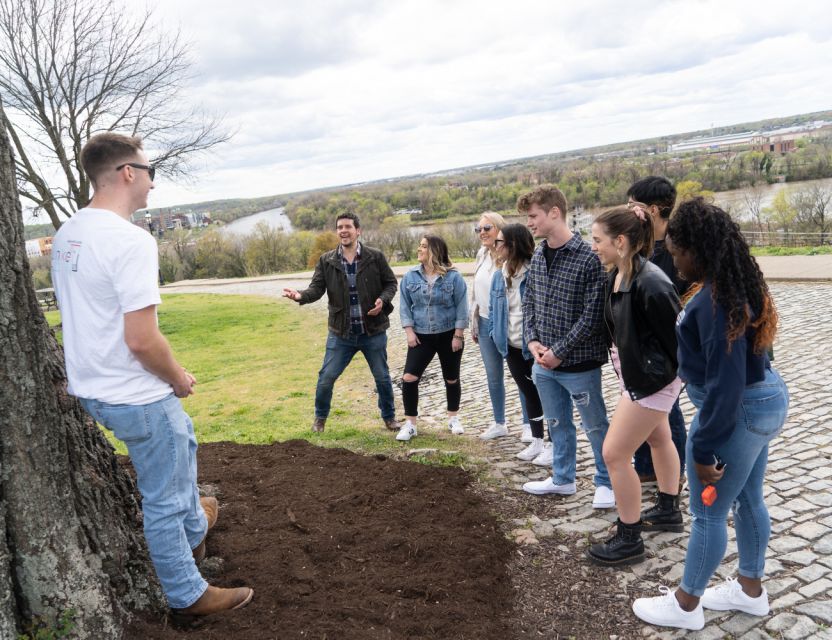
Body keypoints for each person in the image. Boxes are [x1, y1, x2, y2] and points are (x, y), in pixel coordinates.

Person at [51, 132, 252, 618]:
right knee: (162, 495)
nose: (153, 184)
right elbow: (141, 340)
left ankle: (195, 526)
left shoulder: (69, 233)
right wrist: (177, 377)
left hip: (95, 388)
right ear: (127, 173)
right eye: (150, 172)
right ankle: (188, 594)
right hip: (136, 394)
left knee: (182, 444)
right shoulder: (130, 240)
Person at [632, 198, 789, 631]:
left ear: (697, 250)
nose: (676, 262)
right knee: (749, 497)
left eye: (677, 252)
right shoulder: (735, 285)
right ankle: (750, 590)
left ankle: (686, 604)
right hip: (763, 400)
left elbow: (726, 385)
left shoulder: (714, 302)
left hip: (737, 411)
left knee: (708, 512)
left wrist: (702, 450)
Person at [585, 206, 683, 566]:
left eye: (598, 240)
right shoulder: (620, 273)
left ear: (621, 241)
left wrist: (652, 379)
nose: (593, 246)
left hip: (651, 381)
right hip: (639, 377)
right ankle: (669, 509)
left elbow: (678, 342)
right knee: (659, 438)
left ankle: (629, 538)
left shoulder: (651, 282)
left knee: (613, 454)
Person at [517, 186, 614, 509]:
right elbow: (529, 301)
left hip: (580, 364)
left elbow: (592, 316)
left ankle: (607, 482)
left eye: (534, 216)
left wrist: (559, 351)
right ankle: (562, 478)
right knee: (557, 424)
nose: (529, 223)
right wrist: (532, 341)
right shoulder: (538, 256)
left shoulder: (588, 257)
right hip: (543, 363)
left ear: (554, 213)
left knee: (596, 426)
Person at [283, 212, 399, 433]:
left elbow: (391, 283)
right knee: (326, 377)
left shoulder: (375, 256)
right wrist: (300, 296)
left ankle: (389, 418)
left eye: (348, 227)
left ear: (358, 231)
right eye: (339, 227)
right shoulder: (327, 260)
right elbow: (316, 289)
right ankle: (320, 420)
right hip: (341, 334)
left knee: (382, 378)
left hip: (372, 331)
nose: (343, 231)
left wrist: (382, 300)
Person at [626, 176, 688, 485]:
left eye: (632, 205)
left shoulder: (679, 248)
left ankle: (673, 474)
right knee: (643, 407)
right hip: (639, 345)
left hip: (668, 346)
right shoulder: (637, 244)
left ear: (652, 209)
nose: (627, 211)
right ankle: (646, 467)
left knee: (667, 411)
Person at [396, 235, 468, 441]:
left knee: (451, 378)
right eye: (420, 245)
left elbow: (462, 307)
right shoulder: (410, 277)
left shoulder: (454, 277)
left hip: (449, 335)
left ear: (435, 251)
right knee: (409, 377)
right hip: (421, 336)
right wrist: (409, 332)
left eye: (424, 246)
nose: (419, 249)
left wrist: (458, 335)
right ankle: (410, 424)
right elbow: (404, 307)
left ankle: (453, 418)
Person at [488, 224, 547, 461]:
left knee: (546, 395)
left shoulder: (535, 272)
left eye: (499, 242)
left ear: (512, 245)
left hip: (533, 345)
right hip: (510, 346)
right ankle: (537, 440)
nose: (495, 246)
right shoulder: (499, 275)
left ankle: (553, 443)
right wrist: (495, 334)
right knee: (529, 393)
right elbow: (493, 309)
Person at [470, 212, 530, 440]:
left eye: (487, 228)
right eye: (479, 229)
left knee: (521, 374)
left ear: (499, 229)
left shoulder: (507, 256)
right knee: (493, 376)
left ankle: (528, 424)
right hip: (485, 321)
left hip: (508, 323)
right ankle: (499, 422)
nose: (482, 233)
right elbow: (476, 291)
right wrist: (474, 321)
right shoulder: (481, 254)